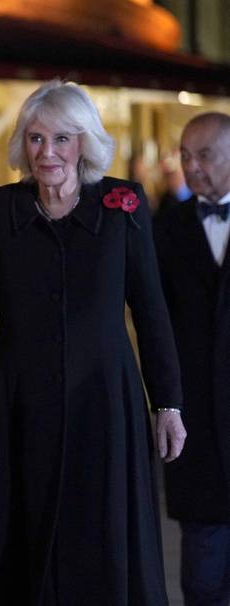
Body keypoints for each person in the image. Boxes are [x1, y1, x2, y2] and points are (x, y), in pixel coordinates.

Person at [0, 80, 187, 605]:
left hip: (105, 401)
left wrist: (168, 403)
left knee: (99, 533)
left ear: (85, 143)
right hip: (19, 400)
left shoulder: (123, 206)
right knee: (16, 538)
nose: (48, 152)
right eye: (36, 138)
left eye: (62, 139)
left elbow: (152, 309)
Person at [154, 112, 230, 606]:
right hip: (194, 421)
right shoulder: (164, 227)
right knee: (202, 578)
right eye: (185, 155)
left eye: (205, 155)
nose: (192, 166)